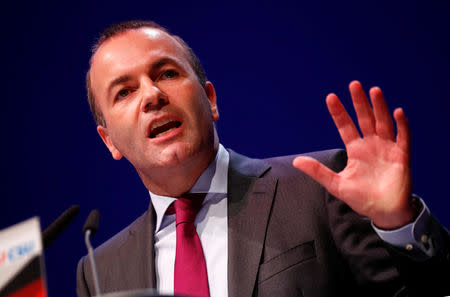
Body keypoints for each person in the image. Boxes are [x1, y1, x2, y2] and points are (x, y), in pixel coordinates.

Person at [77, 20, 450, 297]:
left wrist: (397, 223)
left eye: (168, 73)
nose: (152, 94)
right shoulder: (99, 272)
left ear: (210, 100)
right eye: (124, 92)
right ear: (109, 139)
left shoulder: (316, 191)